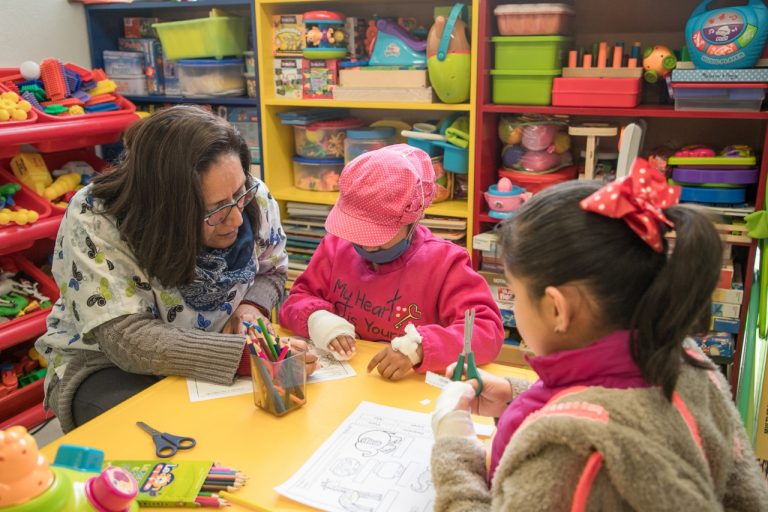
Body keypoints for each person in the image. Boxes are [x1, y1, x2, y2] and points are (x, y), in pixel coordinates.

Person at [430, 160, 768, 510]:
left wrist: (455, 453)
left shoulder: (570, 454)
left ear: (558, 308)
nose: (513, 305)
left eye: (514, 294)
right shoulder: (687, 359)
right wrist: (516, 396)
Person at [35, 105, 309, 433]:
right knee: (162, 439)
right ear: (166, 207)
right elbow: (128, 341)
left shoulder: (250, 195)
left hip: (216, 351)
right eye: (215, 209)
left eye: (239, 194)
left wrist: (251, 307)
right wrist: (243, 357)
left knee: (256, 430)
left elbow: (272, 269)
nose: (236, 217)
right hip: (107, 365)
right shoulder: (95, 218)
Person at [279, 144, 504, 380]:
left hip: (407, 390)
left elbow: (486, 331)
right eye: (357, 230)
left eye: (377, 235)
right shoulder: (336, 246)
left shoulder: (445, 263)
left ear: (413, 219)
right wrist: (319, 320)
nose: (366, 245)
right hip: (347, 382)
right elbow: (297, 300)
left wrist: (419, 348)